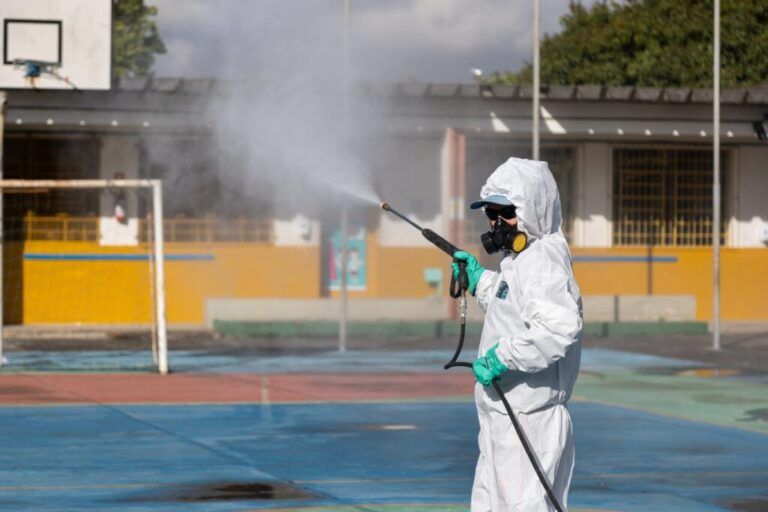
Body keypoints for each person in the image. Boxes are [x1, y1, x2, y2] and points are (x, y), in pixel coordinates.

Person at [451, 157, 583, 511]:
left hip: (531, 417)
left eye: (505, 213)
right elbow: (514, 304)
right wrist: (481, 281)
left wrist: (501, 357)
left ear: (531, 209)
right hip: (506, 415)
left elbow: (558, 328)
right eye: (491, 214)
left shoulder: (542, 260)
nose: (496, 223)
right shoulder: (520, 261)